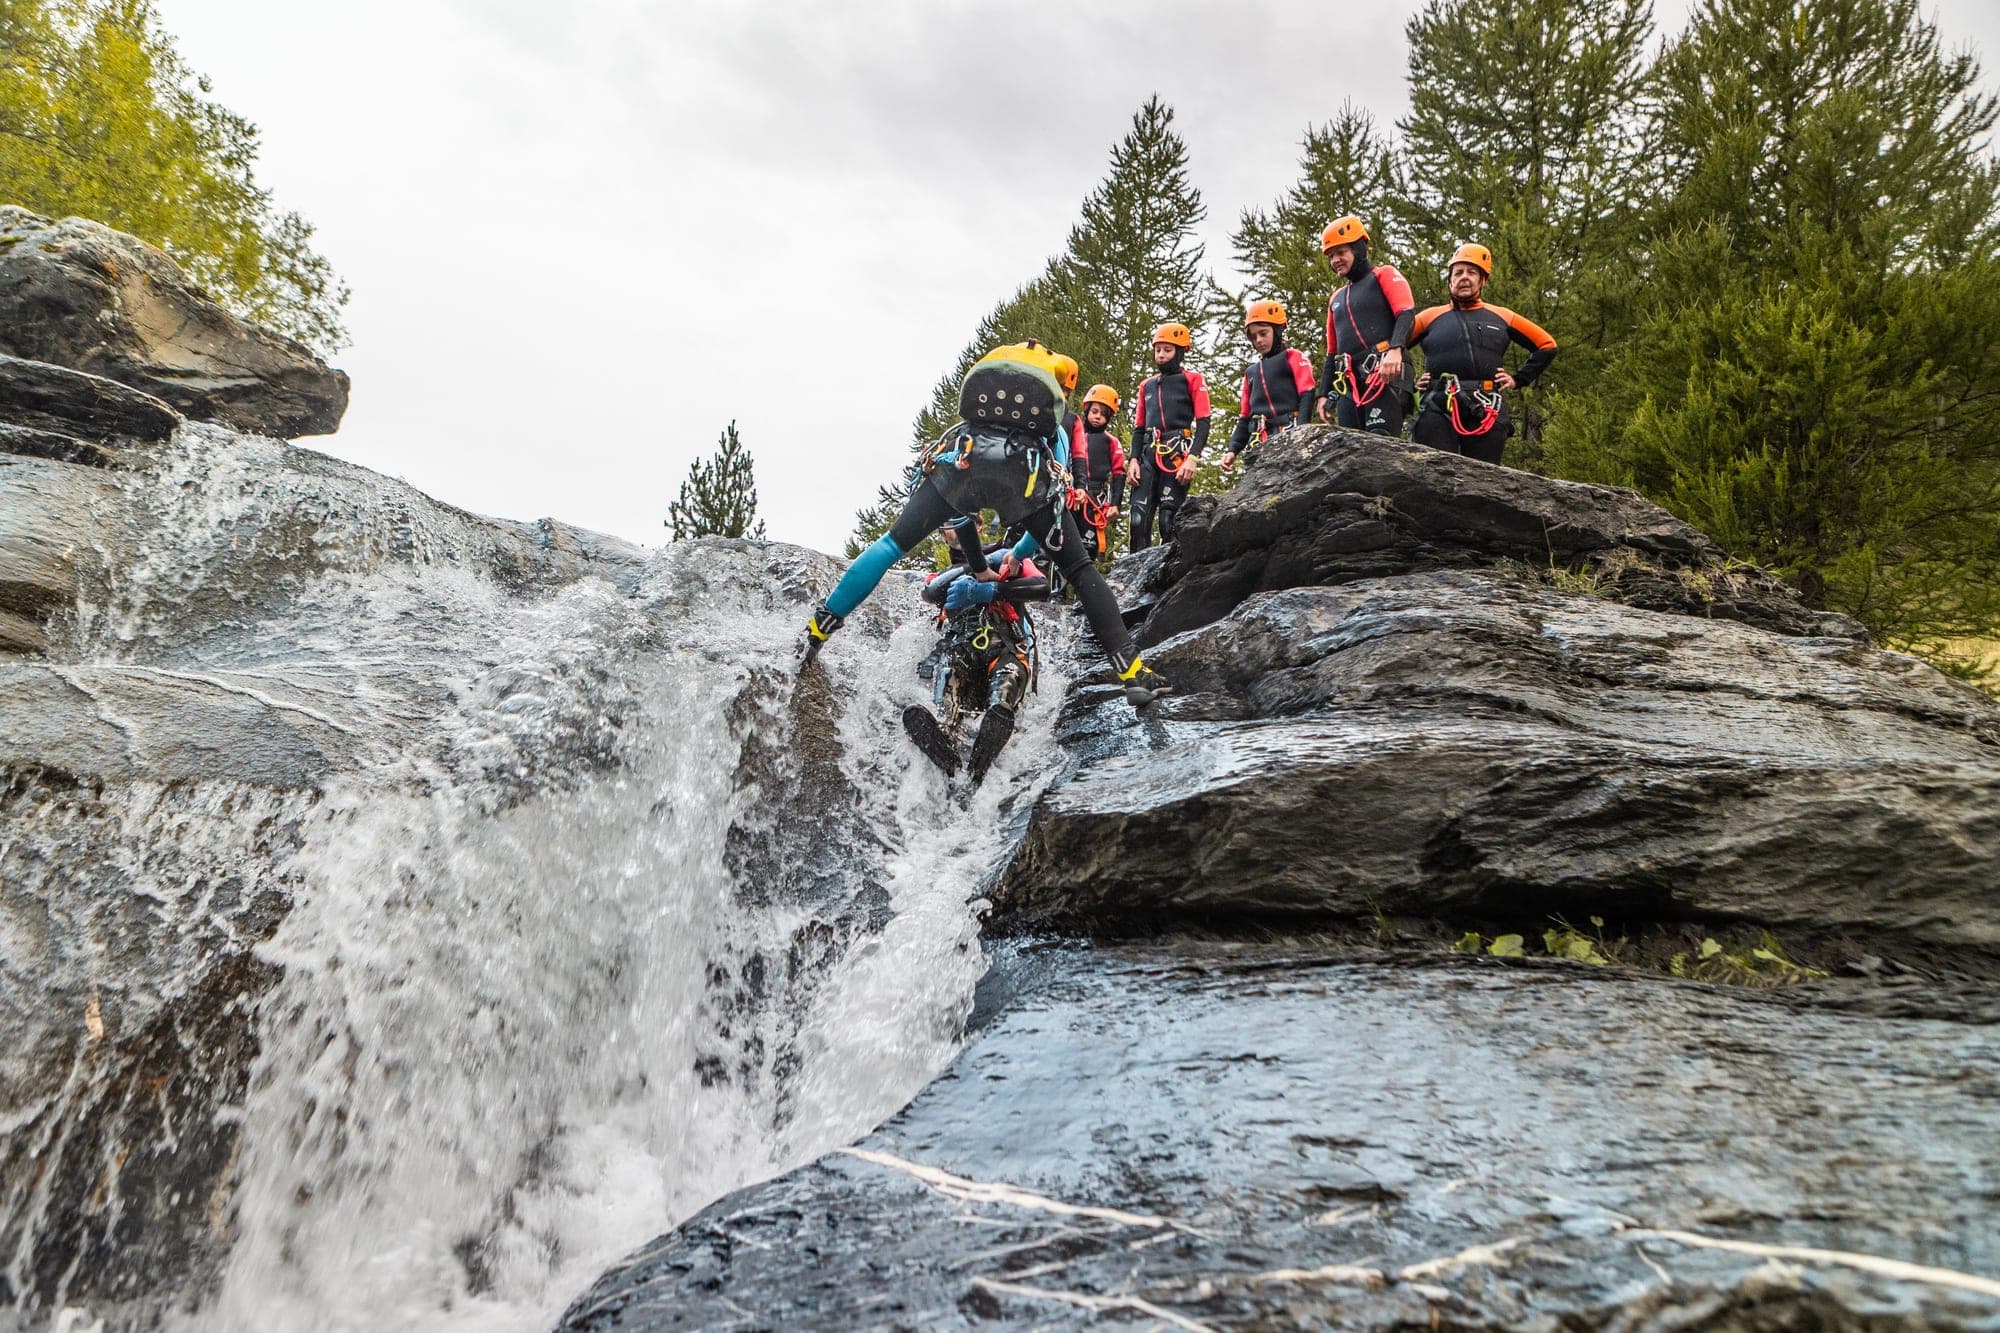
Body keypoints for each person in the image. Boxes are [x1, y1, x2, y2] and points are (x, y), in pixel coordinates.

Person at [799, 340, 1170, 707]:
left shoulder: (973, 422)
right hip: (1024, 474)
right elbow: (1053, 495)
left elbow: (960, 514)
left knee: (891, 545)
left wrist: (978, 566)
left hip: (964, 463)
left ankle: (815, 633)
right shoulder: (1055, 427)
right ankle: (1132, 673)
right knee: (1080, 569)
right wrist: (1018, 554)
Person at [902, 534, 1049, 785]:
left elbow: (1041, 587)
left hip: (1006, 650)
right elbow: (930, 592)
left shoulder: (1011, 561)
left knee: (1006, 680)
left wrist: (994, 589)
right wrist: (973, 569)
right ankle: (945, 731)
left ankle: (996, 720)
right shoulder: (946, 576)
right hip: (962, 655)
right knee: (948, 669)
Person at [1407, 243, 1558, 465]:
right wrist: (1411, 382)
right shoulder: (1429, 317)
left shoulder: (1502, 316)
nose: (1464, 277)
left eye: (1471, 272)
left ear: (1482, 280)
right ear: (1450, 281)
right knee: (1434, 471)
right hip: (1438, 403)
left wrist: (1518, 379)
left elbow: (1547, 345)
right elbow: (1394, 348)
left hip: (1486, 404)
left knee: (1482, 475)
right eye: (1458, 273)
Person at [1313, 215, 1416, 437]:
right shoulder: (1335, 299)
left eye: (1341, 252)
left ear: (1358, 249)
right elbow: (1332, 352)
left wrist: (1395, 350)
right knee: (1348, 448)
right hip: (1350, 383)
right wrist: (1324, 393)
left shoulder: (1383, 275)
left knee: (1380, 440)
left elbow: (1406, 314)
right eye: (1331, 256)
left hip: (1385, 371)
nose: (1335, 260)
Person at [1127, 322, 1211, 551]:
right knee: (1137, 520)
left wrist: (1192, 458)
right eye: (1158, 350)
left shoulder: (1193, 379)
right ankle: (1134, 571)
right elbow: (1139, 428)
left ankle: (1169, 571)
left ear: (1180, 352)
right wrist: (1133, 460)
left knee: (1168, 521)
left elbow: (1204, 421)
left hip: (1176, 453)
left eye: (1167, 350)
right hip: (1147, 453)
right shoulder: (1146, 386)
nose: (1161, 355)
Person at [1222, 299, 1317, 471]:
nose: (1258, 340)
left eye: (1263, 333)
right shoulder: (1251, 373)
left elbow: (1307, 394)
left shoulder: (1293, 357)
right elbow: (1245, 417)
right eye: (1253, 337)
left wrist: (1302, 429)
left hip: (1289, 432)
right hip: (1259, 441)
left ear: (1278, 330)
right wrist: (1232, 450)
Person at [1067, 383, 1127, 560]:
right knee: (1064, 543)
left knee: (1088, 547)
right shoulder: (1072, 434)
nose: (1098, 417)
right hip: (1071, 494)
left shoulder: (1111, 442)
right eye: (1094, 411)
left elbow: (1119, 473)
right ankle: (1057, 580)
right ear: (1086, 410)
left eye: (1103, 414)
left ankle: (1085, 577)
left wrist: (1115, 504)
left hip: (1094, 499)